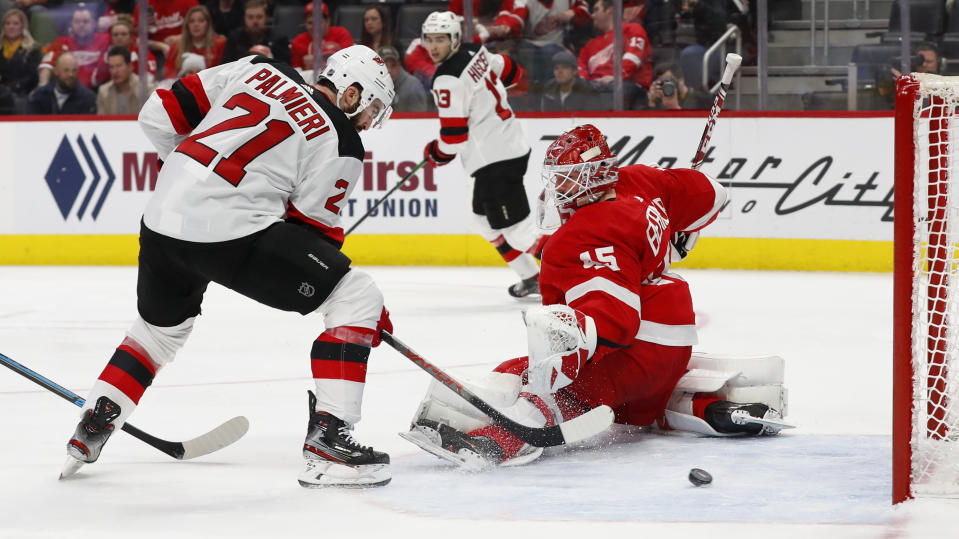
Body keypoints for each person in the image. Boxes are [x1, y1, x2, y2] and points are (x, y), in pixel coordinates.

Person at [61, 45, 398, 489]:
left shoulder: (258, 67)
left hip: (161, 217)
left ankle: (93, 423)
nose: (368, 121)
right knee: (356, 297)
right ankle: (328, 446)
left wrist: (192, 177)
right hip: (231, 232)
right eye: (370, 106)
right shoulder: (343, 139)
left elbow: (158, 115)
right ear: (351, 93)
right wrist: (357, 323)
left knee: (157, 332)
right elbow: (311, 234)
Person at [403, 124, 791, 466]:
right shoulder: (643, 181)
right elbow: (714, 194)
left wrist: (559, 367)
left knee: (535, 379)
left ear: (593, 175)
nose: (559, 188)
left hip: (637, 348)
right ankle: (704, 406)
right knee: (634, 399)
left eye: (569, 178)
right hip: (673, 344)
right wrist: (680, 231)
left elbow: (612, 323)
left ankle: (497, 441)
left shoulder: (584, 233)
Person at [421, 11, 546, 299]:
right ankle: (530, 276)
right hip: (510, 146)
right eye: (429, 39)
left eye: (440, 39)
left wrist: (434, 154)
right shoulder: (474, 50)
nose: (434, 46)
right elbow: (508, 69)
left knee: (518, 232)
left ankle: (576, 274)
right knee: (481, 221)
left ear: (453, 39)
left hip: (495, 160)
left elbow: (453, 139)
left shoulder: (446, 79)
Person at [480, 0, 590, 85]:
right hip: (530, 47)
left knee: (551, 52)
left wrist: (570, 14)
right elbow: (513, 17)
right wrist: (505, 27)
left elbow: (586, 13)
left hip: (559, 47)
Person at [578, 0, 653, 109]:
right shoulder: (590, 45)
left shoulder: (632, 29)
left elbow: (633, 59)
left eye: (596, 10)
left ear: (610, 10)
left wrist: (616, 77)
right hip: (597, 89)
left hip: (629, 87)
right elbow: (581, 69)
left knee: (618, 88)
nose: (592, 15)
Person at [37, 4, 111, 89]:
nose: (81, 25)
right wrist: (42, 87)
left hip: (96, 90)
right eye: (77, 21)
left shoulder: (105, 40)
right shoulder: (62, 42)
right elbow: (46, 65)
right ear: (71, 24)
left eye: (85, 21)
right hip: (66, 89)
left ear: (94, 24)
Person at [163, 5, 226, 78]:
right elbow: (168, 75)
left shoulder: (220, 44)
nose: (196, 25)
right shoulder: (176, 46)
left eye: (201, 21)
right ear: (187, 25)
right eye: (192, 21)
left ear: (208, 24)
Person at [221, 0, 289, 64]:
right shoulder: (234, 38)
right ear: (244, 18)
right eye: (250, 17)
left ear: (267, 18)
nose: (255, 22)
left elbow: (286, 68)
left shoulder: (279, 39)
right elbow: (225, 66)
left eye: (259, 17)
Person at [290, 1, 353, 71]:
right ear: (305, 23)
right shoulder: (298, 41)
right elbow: (296, 70)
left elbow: (350, 63)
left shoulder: (341, 33)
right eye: (310, 23)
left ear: (328, 21)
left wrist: (319, 62)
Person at [0, 8, 42, 114]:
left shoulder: (32, 49)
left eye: (15, 23)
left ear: (23, 27)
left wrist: (11, 88)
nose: (11, 27)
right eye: (8, 24)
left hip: (22, 94)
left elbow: (33, 77)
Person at [27, 52, 97, 114]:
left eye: (74, 70)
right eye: (66, 70)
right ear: (56, 71)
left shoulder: (88, 99)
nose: (71, 74)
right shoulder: (39, 96)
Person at [96, 45, 154, 114]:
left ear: (130, 67)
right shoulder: (104, 91)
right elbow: (101, 122)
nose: (115, 71)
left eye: (119, 66)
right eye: (111, 67)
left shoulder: (146, 89)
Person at [379, 45, 428, 112]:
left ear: (399, 65)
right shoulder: (370, 86)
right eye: (384, 66)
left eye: (393, 65)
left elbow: (419, 119)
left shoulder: (413, 86)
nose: (389, 70)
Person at [645, 63, 711, 110]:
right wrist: (652, 103)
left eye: (668, 81)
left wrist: (675, 108)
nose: (665, 86)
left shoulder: (703, 99)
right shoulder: (659, 103)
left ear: (681, 80)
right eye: (661, 83)